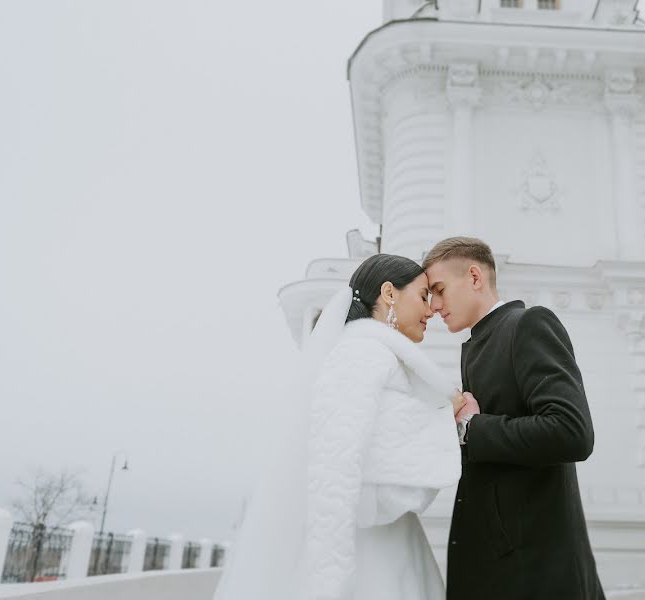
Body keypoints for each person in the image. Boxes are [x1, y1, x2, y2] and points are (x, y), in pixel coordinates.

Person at [213, 254, 464, 600]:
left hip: (382, 538)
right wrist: (445, 418)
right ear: (389, 293)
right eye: (423, 296)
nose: (432, 309)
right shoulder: (362, 352)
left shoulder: (373, 352)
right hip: (366, 552)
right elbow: (335, 456)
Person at [423, 236, 605, 600]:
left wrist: (472, 428)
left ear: (475, 277)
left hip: (534, 570)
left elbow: (572, 431)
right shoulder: (477, 346)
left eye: (440, 290)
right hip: (497, 565)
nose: (435, 306)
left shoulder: (527, 324)